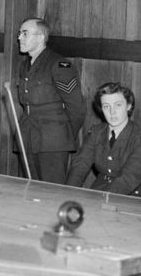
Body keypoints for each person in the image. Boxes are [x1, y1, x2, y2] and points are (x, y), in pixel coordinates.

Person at [14, 18, 85, 183]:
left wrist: (62, 134)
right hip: (28, 136)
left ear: (40, 37)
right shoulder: (25, 65)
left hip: (52, 140)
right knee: (28, 188)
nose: (19, 38)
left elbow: (77, 108)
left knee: (51, 192)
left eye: (25, 33)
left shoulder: (59, 65)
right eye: (19, 33)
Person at [66, 82, 141, 195]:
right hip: (100, 189)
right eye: (106, 106)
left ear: (129, 105)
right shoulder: (96, 132)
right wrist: (68, 192)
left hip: (129, 195)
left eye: (118, 105)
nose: (112, 112)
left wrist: (104, 198)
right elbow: (81, 164)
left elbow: (131, 177)